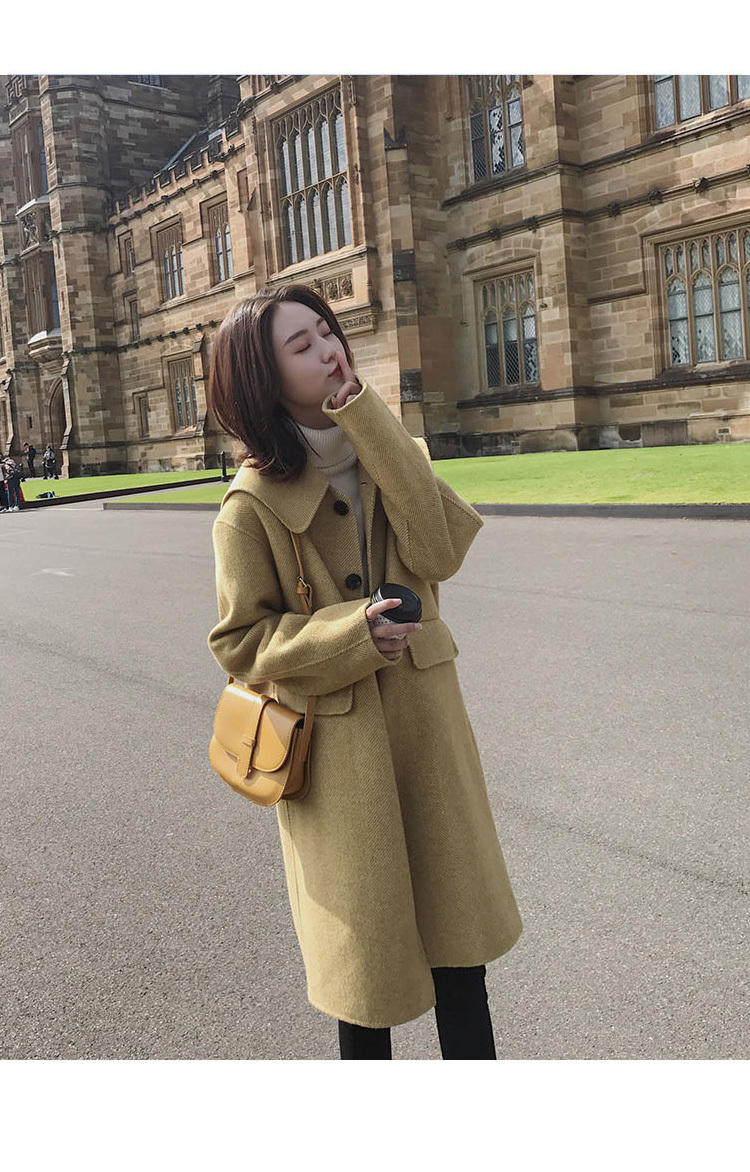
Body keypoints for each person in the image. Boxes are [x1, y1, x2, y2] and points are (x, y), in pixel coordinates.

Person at [207, 285, 522, 1061]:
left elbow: (439, 552)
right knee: (364, 991)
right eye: (302, 345)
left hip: (428, 739)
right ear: (264, 377)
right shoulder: (248, 509)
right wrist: (351, 636)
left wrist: (367, 419)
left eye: (327, 331)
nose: (328, 350)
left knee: (462, 968)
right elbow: (241, 641)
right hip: (338, 766)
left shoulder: (392, 454)